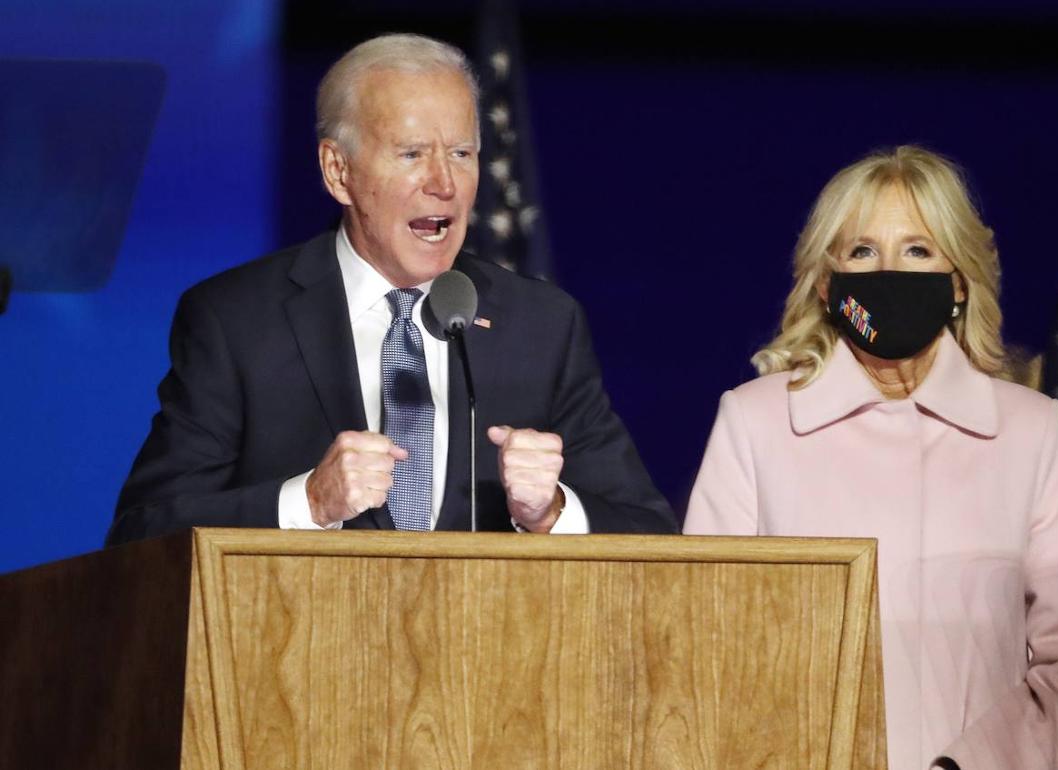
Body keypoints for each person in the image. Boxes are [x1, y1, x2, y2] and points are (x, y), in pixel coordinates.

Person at [107, 34, 675, 544]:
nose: (444, 183)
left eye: (461, 153)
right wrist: (308, 502)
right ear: (338, 171)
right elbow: (144, 533)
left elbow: (650, 532)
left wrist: (550, 511)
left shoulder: (541, 325)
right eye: (411, 154)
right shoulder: (236, 321)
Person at [683, 146, 1058, 770]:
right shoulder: (755, 423)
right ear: (824, 279)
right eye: (863, 251)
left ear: (957, 280)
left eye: (918, 250)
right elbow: (703, 641)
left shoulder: (1030, 432)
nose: (888, 271)